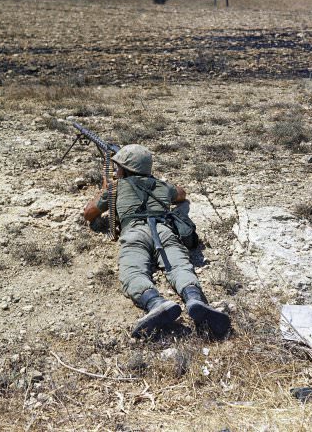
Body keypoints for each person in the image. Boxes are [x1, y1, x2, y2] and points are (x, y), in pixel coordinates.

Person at [83, 144, 230, 338]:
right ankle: (195, 300)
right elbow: (181, 194)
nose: (116, 170)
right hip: (164, 230)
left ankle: (156, 304)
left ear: (127, 169)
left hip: (135, 232)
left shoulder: (115, 187)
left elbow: (89, 213)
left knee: (133, 273)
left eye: (118, 167)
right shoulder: (161, 185)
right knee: (180, 267)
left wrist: (106, 189)